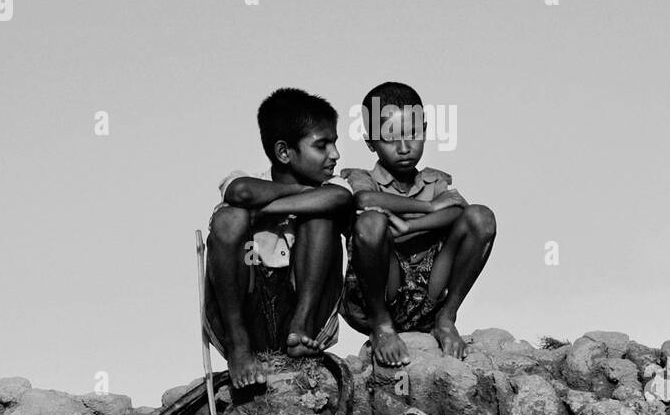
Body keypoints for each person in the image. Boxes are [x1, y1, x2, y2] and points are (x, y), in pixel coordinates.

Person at [339, 82, 496, 367]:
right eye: (390, 139)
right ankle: (383, 327)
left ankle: (446, 319)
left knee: (481, 217)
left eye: (412, 134)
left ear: (424, 129)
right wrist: (429, 207)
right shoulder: (363, 179)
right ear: (370, 143)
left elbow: (460, 210)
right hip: (380, 295)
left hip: (428, 295)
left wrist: (411, 227)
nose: (403, 148)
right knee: (371, 223)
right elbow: (363, 200)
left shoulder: (435, 180)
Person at [204, 88, 352, 388]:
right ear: (284, 152)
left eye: (334, 143)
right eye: (322, 146)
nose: (335, 154)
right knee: (229, 219)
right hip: (247, 313)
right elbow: (240, 192)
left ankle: (301, 328)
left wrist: (262, 211)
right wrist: (304, 194)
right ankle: (239, 343)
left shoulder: (333, 185)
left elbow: (337, 197)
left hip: (306, 315)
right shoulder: (245, 178)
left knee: (321, 213)